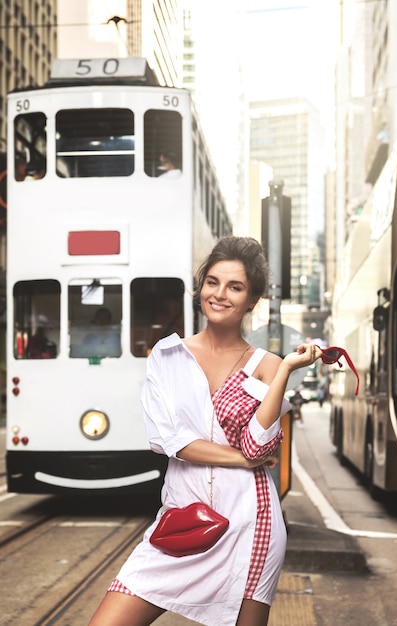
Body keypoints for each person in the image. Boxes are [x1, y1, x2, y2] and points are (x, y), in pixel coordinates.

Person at [88, 236, 322, 626]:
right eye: (213, 282)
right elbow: (168, 440)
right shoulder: (167, 355)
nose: (220, 294)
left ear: (252, 299)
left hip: (250, 523)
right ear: (200, 287)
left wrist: (284, 371)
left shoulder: (266, 364)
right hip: (184, 520)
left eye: (235, 287)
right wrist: (242, 460)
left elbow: (257, 443)